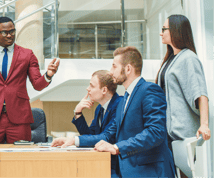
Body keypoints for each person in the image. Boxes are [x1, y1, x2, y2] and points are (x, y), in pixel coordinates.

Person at [53, 47, 175, 177]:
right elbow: (107, 136)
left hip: (150, 171)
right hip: (128, 169)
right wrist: (74, 140)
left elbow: (156, 132)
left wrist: (117, 148)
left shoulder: (150, 90)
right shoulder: (124, 100)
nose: (111, 73)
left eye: (114, 67)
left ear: (128, 69)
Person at [0, 16, 60, 144]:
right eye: (5, 32)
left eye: (12, 31)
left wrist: (48, 75)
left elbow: (37, 84)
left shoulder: (27, 55)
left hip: (19, 118)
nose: (9, 35)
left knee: (21, 158)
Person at [158, 14, 210, 146]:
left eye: (164, 29)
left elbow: (200, 93)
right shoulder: (169, 59)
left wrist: (204, 125)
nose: (161, 33)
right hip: (166, 133)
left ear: (176, 30)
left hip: (181, 136)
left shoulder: (188, 58)